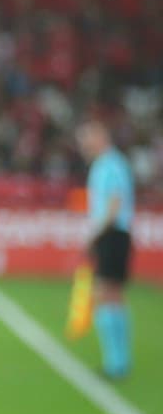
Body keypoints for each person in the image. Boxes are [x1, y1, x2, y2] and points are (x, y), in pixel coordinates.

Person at [75, 118, 135, 379]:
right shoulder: (107, 164)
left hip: (112, 234)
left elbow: (114, 204)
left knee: (104, 294)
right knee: (113, 296)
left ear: (101, 137)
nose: (83, 144)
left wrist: (93, 235)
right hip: (114, 234)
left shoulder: (111, 164)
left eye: (87, 137)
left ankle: (115, 363)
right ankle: (119, 361)